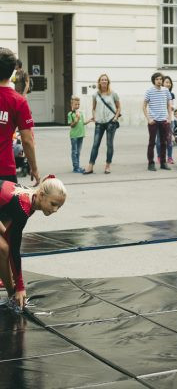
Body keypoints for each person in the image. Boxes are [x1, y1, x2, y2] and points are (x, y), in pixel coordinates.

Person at [0, 176, 66, 310]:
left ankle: (11, 291)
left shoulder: (31, 197)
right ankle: (12, 294)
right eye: (53, 204)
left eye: (59, 206)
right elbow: (14, 250)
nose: (55, 210)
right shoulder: (23, 208)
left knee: (5, 242)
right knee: (4, 249)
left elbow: (8, 234)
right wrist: (20, 287)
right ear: (41, 195)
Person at [0, 48, 39, 185]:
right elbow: (27, 140)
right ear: (12, 71)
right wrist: (34, 168)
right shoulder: (18, 101)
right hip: (4, 170)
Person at [84, 74, 121, 175]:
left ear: (108, 82)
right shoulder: (95, 95)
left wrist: (115, 117)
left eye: (105, 80)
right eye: (102, 80)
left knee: (109, 144)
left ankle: (108, 165)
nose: (104, 81)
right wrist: (94, 116)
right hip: (99, 123)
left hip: (110, 122)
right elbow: (93, 108)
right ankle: (90, 166)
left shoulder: (113, 94)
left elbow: (118, 107)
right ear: (99, 82)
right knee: (95, 144)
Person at [143, 72, 172, 171]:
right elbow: (144, 106)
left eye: (160, 79)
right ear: (153, 80)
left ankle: (163, 163)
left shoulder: (166, 90)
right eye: (157, 79)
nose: (159, 81)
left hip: (164, 120)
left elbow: (169, 105)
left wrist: (169, 118)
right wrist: (149, 118)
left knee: (164, 142)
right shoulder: (149, 91)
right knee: (152, 142)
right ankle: (151, 163)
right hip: (153, 121)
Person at [68, 96, 93, 173]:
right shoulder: (70, 114)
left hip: (81, 135)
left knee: (78, 151)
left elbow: (83, 123)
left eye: (78, 104)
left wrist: (90, 120)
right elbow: (71, 125)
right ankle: (75, 168)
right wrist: (76, 119)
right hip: (74, 136)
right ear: (72, 105)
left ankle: (78, 166)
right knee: (74, 151)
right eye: (76, 104)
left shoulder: (80, 113)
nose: (77, 106)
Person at [155, 75, 175, 164]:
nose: (168, 84)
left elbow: (172, 105)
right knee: (159, 140)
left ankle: (169, 157)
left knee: (169, 140)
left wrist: (171, 110)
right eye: (166, 82)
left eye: (169, 82)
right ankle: (159, 157)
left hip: (170, 120)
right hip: (160, 119)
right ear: (162, 83)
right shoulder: (157, 93)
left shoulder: (171, 94)